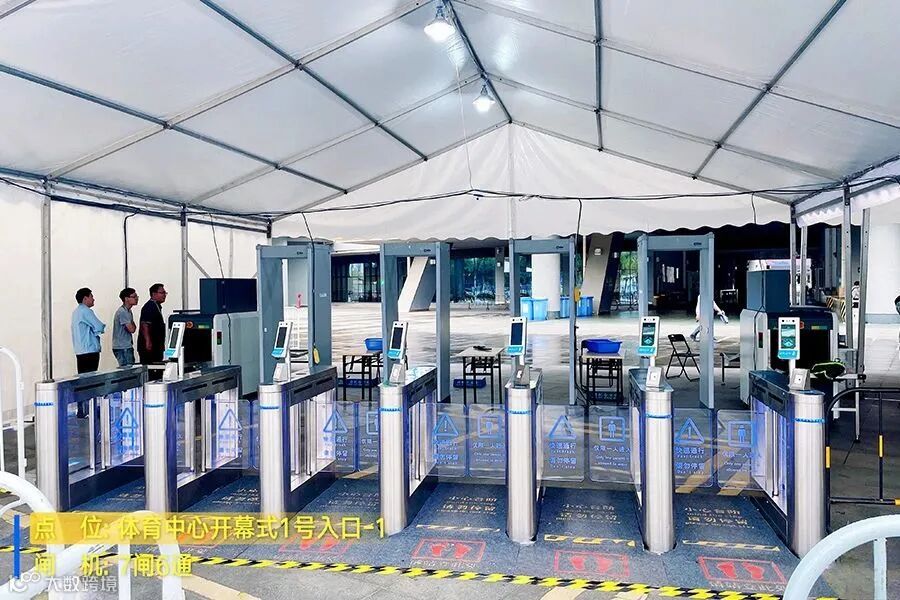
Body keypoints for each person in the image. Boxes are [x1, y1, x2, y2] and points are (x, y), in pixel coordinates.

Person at [71, 287, 105, 417]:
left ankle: (82, 409)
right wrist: (97, 331)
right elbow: (99, 326)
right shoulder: (86, 311)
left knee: (82, 381)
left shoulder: (76, 312)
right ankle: (89, 410)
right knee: (91, 382)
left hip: (80, 351)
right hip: (90, 350)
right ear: (85, 298)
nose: (93, 299)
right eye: (91, 296)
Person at [137, 283, 167, 368]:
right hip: (150, 347)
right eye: (162, 293)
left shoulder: (157, 306)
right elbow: (145, 324)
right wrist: (148, 341)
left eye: (165, 293)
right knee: (151, 368)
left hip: (157, 345)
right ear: (154, 294)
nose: (164, 295)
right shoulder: (149, 307)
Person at [112, 287, 139, 367]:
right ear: (126, 299)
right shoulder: (122, 312)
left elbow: (133, 327)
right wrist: (131, 324)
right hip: (122, 347)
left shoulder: (128, 311)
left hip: (125, 346)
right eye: (134, 297)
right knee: (128, 370)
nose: (136, 298)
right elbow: (132, 329)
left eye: (137, 296)